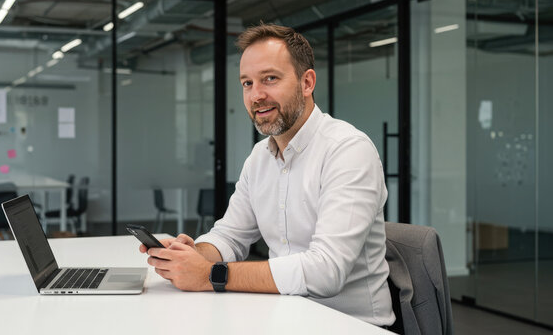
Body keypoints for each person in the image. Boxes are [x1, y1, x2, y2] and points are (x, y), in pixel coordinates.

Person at [139, 23, 395, 327]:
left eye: (269, 79)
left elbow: (326, 272)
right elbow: (230, 236)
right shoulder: (260, 157)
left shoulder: (348, 151)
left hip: (350, 325)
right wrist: (192, 254)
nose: (256, 95)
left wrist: (210, 274)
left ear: (307, 82)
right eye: (247, 83)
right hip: (285, 317)